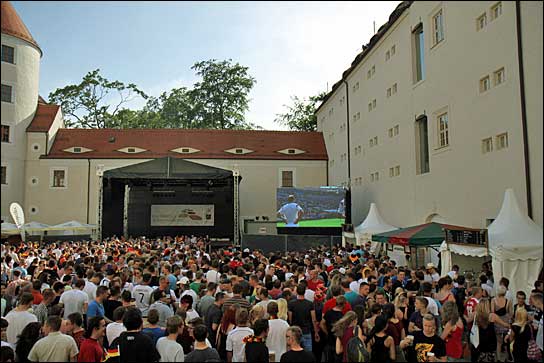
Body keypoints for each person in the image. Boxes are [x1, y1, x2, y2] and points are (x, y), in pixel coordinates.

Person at [288, 284, 318, 352]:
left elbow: (290, 319)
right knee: (308, 354)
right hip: (306, 331)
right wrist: (316, 332)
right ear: (304, 292)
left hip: (295, 332)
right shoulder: (310, 304)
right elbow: (314, 319)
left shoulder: (291, 304)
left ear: (297, 292)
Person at [320, 295, 345, 363]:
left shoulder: (328, 313)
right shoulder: (342, 316)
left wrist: (327, 332)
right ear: (343, 304)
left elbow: (321, 324)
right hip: (338, 341)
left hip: (329, 340)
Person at [491, 285, 513, 361]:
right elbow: (511, 314)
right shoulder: (508, 301)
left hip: (497, 324)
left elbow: (492, 313)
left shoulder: (493, 300)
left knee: (498, 343)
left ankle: (499, 359)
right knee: (507, 342)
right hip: (506, 324)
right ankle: (507, 357)